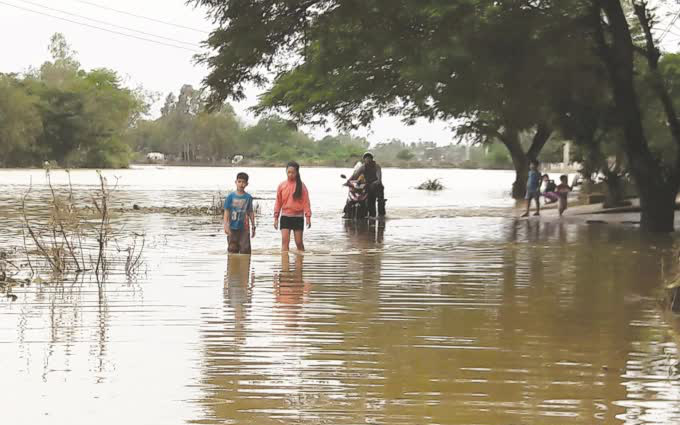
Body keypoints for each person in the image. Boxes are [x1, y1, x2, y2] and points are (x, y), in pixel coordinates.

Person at [274, 161, 312, 252]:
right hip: (285, 216)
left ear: (297, 173)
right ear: (286, 172)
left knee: (298, 242)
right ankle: (284, 262)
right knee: (285, 242)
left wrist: (308, 217)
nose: (290, 174)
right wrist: (276, 217)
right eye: (289, 172)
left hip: (298, 217)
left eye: (293, 172)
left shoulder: (301, 186)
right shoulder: (282, 185)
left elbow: (306, 202)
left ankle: (300, 261)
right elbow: (278, 202)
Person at [224, 172, 256, 254]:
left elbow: (250, 212)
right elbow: (227, 211)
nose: (241, 184)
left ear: (247, 184)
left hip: (244, 228)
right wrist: (226, 225)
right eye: (239, 182)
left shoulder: (248, 197)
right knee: (232, 249)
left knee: (245, 250)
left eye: (243, 182)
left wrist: (253, 226)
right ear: (236, 182)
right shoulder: (230, 197)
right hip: (232, 227)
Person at [350, 152, 386, 217]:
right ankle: (372, 217)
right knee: (370, 203)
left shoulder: (377, 166)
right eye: (366, 158)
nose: (368, 160)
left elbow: (379, 177)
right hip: (369, 187)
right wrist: (348, 181)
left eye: (369, 158)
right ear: (364, 159)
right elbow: (354, 175)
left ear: (372, 159)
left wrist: (377, 181)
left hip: (377, 186)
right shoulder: (363, 167)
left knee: (380, 201)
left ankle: (382, 216)